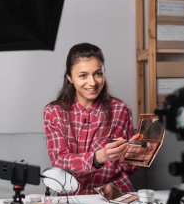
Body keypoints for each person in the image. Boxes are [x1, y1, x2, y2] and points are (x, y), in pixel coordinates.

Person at [43, 43, 141, 196]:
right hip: (72, 197)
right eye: (83, 76)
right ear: (70, 78)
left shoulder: (120, 109)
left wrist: (133, 156)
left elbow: (129, 168)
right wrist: (99, 157)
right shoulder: (54, 112)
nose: (93, 83)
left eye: (98, 73)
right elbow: (59, 161)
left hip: (114, 192)